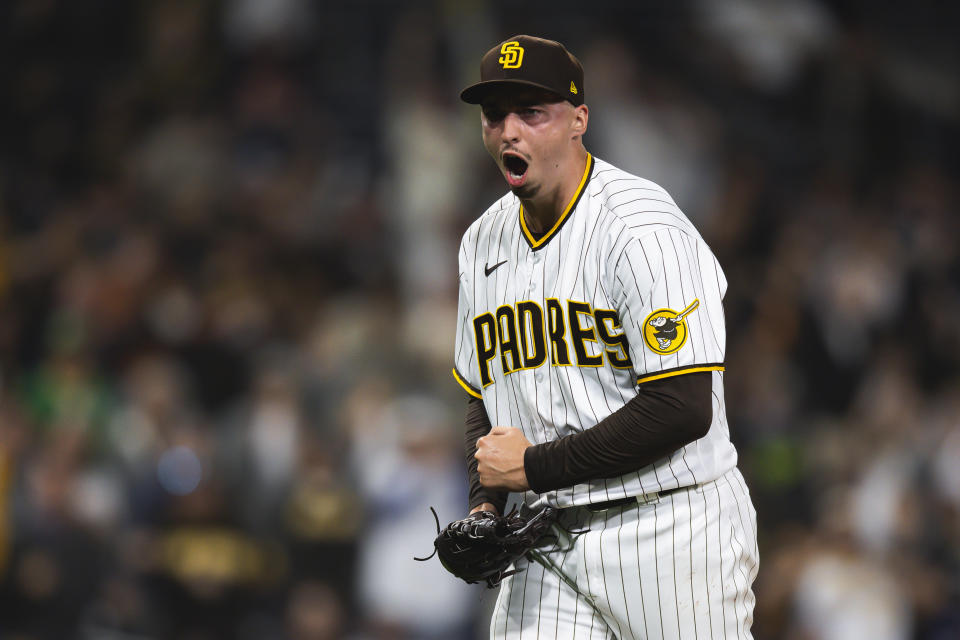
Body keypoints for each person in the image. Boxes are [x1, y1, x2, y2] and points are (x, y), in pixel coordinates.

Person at [452, 35, 759, 639]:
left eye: (532, 112)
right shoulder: (481, 244)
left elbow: (682, 407)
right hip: (545, 537)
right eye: (496, 115)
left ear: (578, 121)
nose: (509, 130)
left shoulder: (642, 227)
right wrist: (486, 508)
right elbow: (483, 401)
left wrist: (534, 467)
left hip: (671, 531)